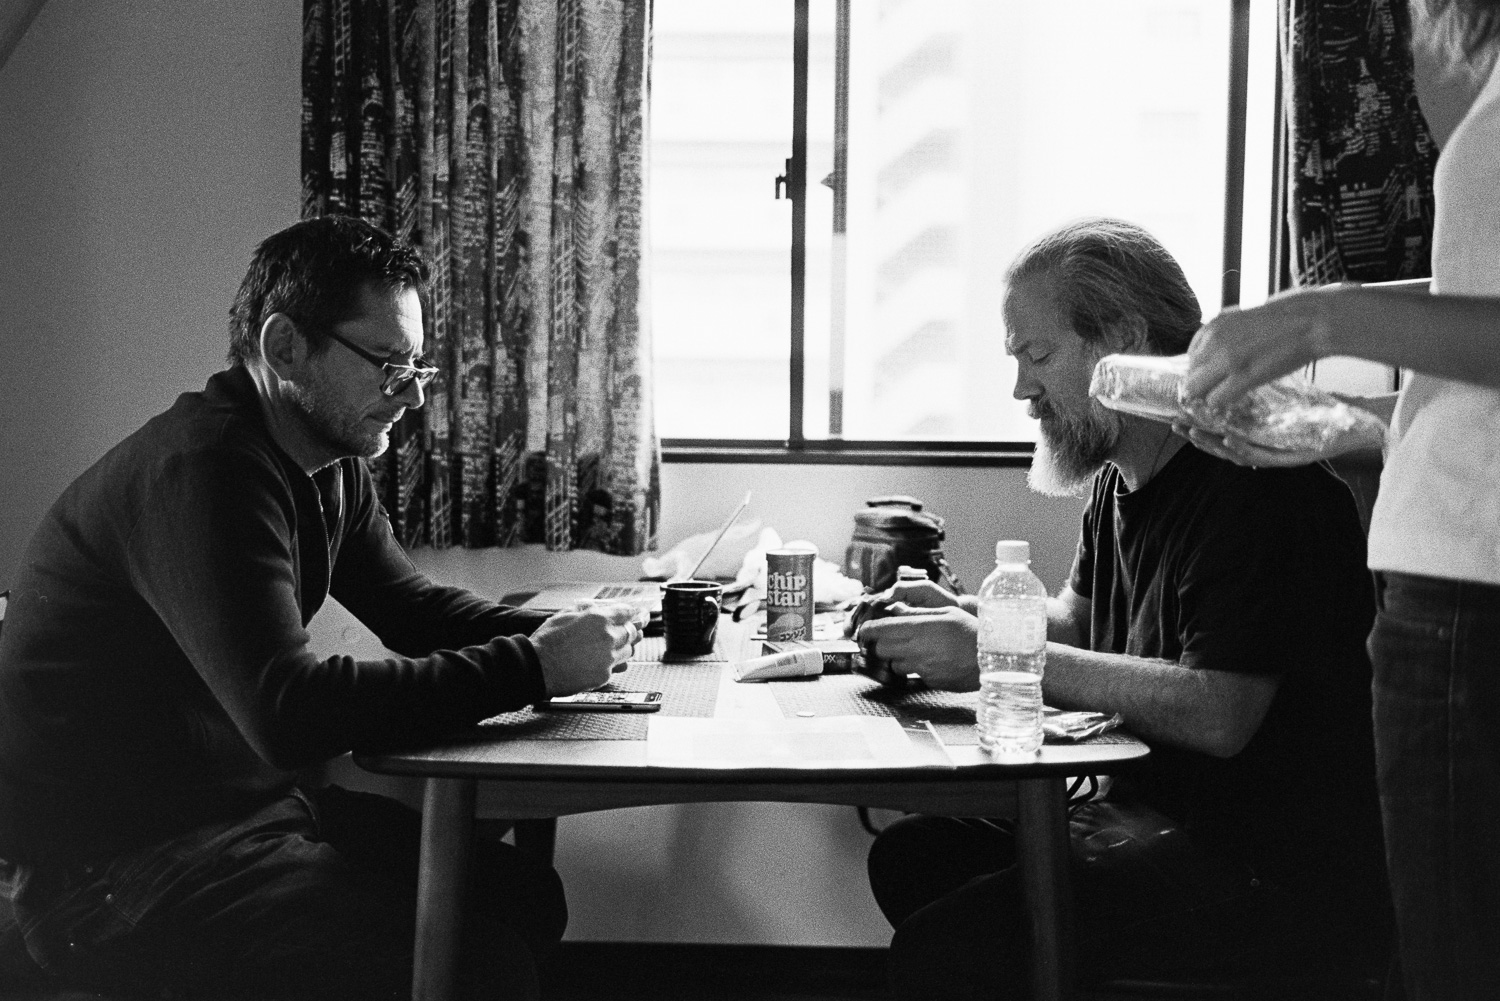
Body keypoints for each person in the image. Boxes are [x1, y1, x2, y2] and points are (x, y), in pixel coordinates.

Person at [0, 216, 640, 1000]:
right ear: (284, 348)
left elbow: (411, 607)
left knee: (525, 896)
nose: (408, 394)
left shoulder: (328, 460)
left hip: (245, 821)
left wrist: (575, 636)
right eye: (386, 364)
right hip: (113, 875)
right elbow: (290, 712)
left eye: (417, 366)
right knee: (484, 966)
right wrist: (536, 664)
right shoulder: (205, 472)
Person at [855, 218, 1390, 999]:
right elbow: (1075, 621)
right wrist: (962, 612)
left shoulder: (1257, 485)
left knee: (950, 947)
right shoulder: (1122, 475)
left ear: (1124, 342)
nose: (1021, 390)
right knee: (910, 858)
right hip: (1154, 820)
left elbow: (1220, 712)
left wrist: (992, 651)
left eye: (1037, 355)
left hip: (1264, 868)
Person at [1183, 3, 1500, 996]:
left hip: (1471, 580)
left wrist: (1321, 312)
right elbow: (1467, 303)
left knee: (1457, 955)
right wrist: (1342, 412)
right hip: (1458, 555)